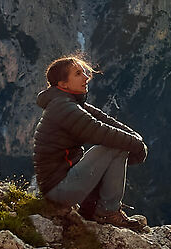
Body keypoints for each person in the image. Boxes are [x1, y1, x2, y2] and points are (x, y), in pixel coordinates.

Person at [33, 55, 150, 230]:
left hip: (62, 183)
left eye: (84, 72)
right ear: (63, 84)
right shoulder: (63, 107)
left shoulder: (68, 102)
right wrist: (137, 146)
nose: (86, 77)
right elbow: (99, 131)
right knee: (113, 145)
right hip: (58, 190)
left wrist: (136, 141)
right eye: (78, 74)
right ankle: (107, 211)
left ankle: (99, 209)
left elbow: (109, 122)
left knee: (119, 144)